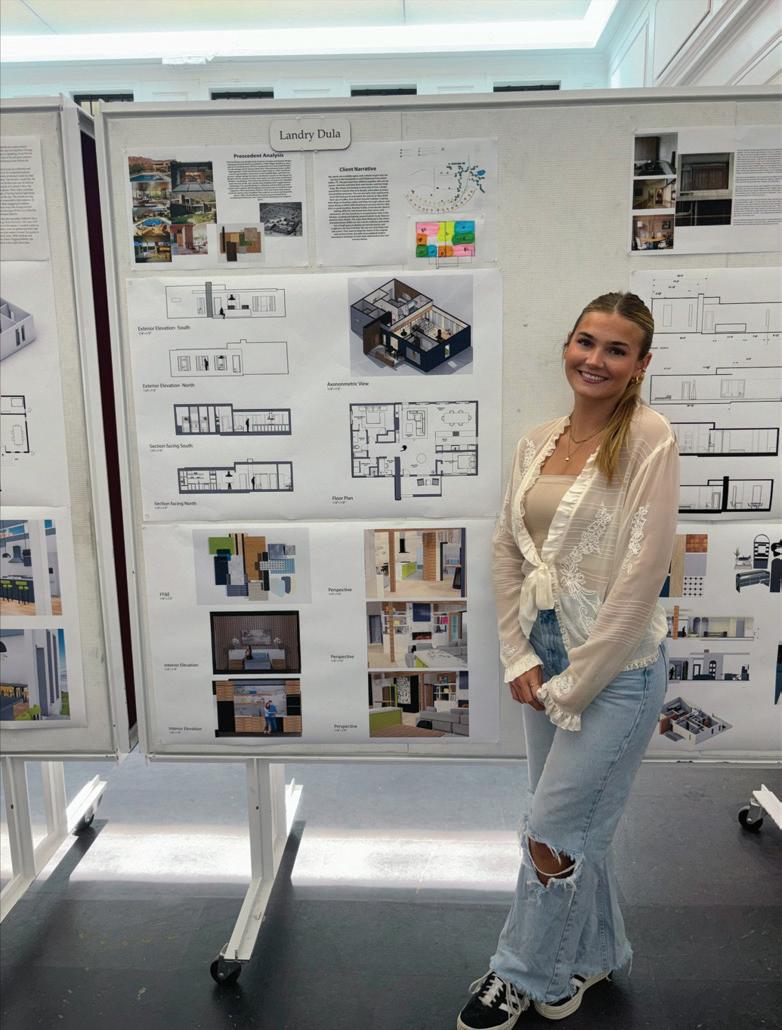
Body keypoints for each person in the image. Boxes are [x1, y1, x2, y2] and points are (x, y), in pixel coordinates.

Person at [457, 292, 679, 1029]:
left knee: (552, 833)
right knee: (581, 825)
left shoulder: (648, 438)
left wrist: (577, 684)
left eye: (617, 350)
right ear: (567, 346)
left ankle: (520, 974)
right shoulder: (536, 441)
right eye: (586, 341)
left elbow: (643, 578)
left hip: (617, 671)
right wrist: (517, 652)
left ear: (640, 365)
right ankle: (600, 950)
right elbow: (505, 548)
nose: (596, 359)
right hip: (544, 653)